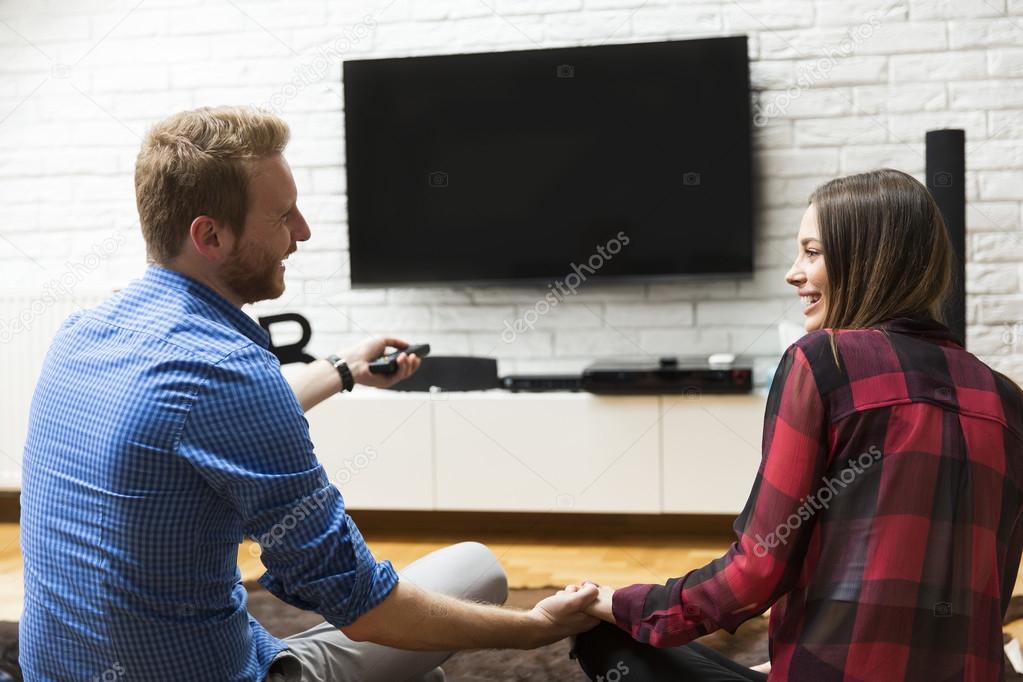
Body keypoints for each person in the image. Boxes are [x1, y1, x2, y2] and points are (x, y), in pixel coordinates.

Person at [19, 106, 599, 682]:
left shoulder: (83, 333)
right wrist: (536, 627)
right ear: (210, 235)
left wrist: (344, 369)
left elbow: (210, 422)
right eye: (283, 216)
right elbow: (365, 607)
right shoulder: (230, 372)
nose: (302, 231)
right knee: (476, 570)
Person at [570, 168, 1023, 681]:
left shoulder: (822, 360)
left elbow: (756, 572)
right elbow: (988, 597)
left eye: (812, 253)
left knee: (604, 637)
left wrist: (621, 604)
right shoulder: (1007, 400)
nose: (793, 272)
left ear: (866, 259)